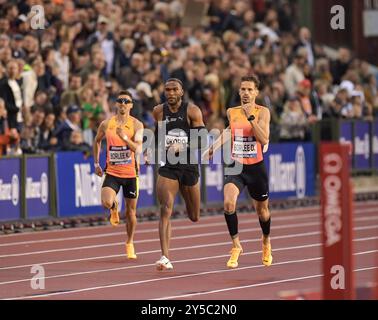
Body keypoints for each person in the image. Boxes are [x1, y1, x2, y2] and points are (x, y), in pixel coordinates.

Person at [203, 75, 273, 269]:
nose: (246, 93)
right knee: (228, 203)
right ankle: (236, 246)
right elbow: (229, 131)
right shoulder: (231, 111)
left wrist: (251, 119)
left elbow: (264, 139)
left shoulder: (263, 112)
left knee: (263, 211)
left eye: (250, 90)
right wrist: (213, 147)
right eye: (243, 89)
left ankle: (266, 241)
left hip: (256, 168)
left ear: (256, 92)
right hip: (236, 166)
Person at [153, 78, 206, 270]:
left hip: (189, 167)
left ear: (182, 92)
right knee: (165, 208)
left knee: (194, 216)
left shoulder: (192, 111)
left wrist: (182, 145)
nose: (171, 93)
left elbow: (202, 141)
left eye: (175, 89)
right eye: (167, 89)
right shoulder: (159, 111)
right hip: (169, 166)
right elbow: (158, 137)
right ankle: (164, 257)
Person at [93, 90, 143, 260]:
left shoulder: (137, 125)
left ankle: (129, 242)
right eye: (120, 100)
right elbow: (97, 141)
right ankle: (114, 207)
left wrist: (124, 138)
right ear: (116, 104)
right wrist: (96, 163)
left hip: (131, 174)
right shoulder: (107, 124)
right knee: (106, 201)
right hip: (112, 172)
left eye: (126, 101)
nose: (123, 103)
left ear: (131, 105)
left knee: (131, 212)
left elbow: (138, 149)